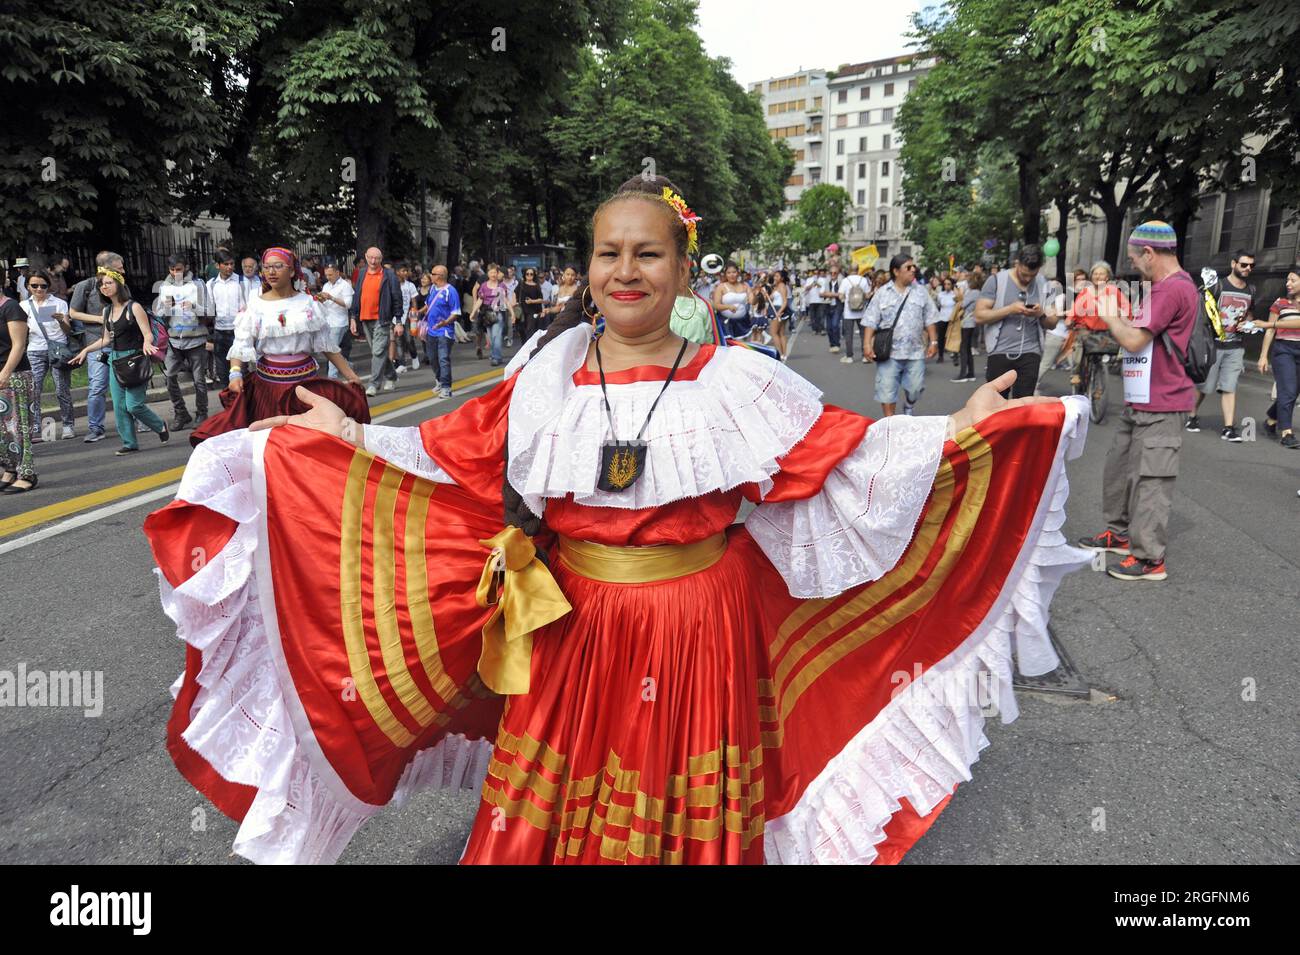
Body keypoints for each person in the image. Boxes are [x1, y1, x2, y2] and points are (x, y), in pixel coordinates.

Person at [143, 172, 1090, 866]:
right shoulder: (543, 374)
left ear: (683, 271)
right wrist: (340, 440)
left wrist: (959, 429)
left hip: (698, 628)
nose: (626, 270)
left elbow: (851, 459)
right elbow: (448, 456)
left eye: (649, 253)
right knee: (550, 816)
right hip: (573, 628)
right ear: (586, 265)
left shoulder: (746, 381)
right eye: (609, 252)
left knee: (680, 810)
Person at [1078, 221, 1199, 582]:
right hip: (1141, 398)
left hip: (1162, 401)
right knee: (1118, 469)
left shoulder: (1171, 289)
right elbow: (1140, 331)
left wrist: (1107, 311)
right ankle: (1119, 534)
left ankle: (1149, 560)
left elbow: (1132, 340)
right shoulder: (1160, 288)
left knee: (1151, 479)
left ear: (1150, 253)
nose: (1133, 267)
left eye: (1135, 259)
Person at [188, 247, 368, 447]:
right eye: (267, 267)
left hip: (304, 388)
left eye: (278, 266)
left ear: (291, 271)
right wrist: (235, 374)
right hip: (267, 388)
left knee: (310, 444)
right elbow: (241, 344)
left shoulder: (308, 303)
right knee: (270, 444)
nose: (271, 272)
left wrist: (350, 375)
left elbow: (327, 346)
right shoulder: (255, 305)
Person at [67, 266, 170, 456]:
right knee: (119, 406)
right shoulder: (106, 311)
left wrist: (147, 345)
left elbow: (147, 334)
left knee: (134, 405)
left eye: (109, 283)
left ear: (119, 284)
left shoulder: (134, 307)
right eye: (101, 284)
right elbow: (106, 339)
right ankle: (129, 443)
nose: (104, 287)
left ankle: (159, 425)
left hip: (135, 358)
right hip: (115, 359)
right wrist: (86, 350)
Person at [1187, 250, 1257, 442]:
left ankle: (1228, 428)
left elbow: (1250, 312)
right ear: (1233, 264)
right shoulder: (1217, 286)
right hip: (1213, 345)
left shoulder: (1251, 290)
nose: (1248, 268)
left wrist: (1248, 323)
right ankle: (1191, 415)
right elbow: (1202, 311)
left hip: (1236, 346)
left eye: (1251, 265)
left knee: (1230, 386)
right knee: (1204, 385)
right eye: (1244, 264)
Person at [975, 244, 1057, 399]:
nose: (1027, 279)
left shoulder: (1047, 285)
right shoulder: (996, 281)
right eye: (1024, 274)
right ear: (1017, 263)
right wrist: (1009, 309)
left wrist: (1041, 313)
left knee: (1023, 405)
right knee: (997, 403)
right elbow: (979, 316)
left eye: (1032, 275)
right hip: (999, 350)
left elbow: (1053, 322)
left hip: (1030, 351)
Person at [862, 253, 940, 417]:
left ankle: (909, 405)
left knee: (915, 388)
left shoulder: (921, 292)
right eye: (908, 267)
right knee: (887, 390)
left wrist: (934, 342)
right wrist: (867, 344)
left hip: (915, 351)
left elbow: (930, 318)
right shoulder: (883, 293)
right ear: (896, 271)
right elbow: (870, 320)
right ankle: (890, 423)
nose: (913, 270)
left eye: (914, 267)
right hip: (888, 352)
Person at [68, 250, 127, 443]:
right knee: (97, 386)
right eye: (119, 268)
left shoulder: (122, 286)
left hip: (120, 343)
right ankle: (95, 428)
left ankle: (132, 421)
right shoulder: (86, 286)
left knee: (126, 383)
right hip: (96, 344)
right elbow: (73, 313)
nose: (123, 271)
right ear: (106, 269)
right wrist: (101, 318)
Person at [154, 255, 213, 431]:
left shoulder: (197, 285)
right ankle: (181, 413)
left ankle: (202, 413)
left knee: (199, 380)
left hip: (195, 337)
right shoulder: (165, 286)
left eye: (178, 269)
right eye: (172, 270)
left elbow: (209, 312)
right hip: (174, 339)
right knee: (170, 377)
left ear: (186, 267)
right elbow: (158, 313)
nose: (175, 273)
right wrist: (166, 306)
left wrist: (193, 306)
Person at [22, 269, 76, 440]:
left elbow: (68, 331)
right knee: (34, 389)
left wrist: (61, 320)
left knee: (61, 389)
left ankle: (68, 425)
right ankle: (36, 426)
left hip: (58, 349)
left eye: (43, 286)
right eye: (34, 286)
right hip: (35, 349)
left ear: (48, 285)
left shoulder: (59, 303)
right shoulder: (23, 306)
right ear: (28, 286)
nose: (39, 289)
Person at [1066, 262, 1129, 392]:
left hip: (1105, 330)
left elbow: (1125, 306)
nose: (1097, 276)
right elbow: (1075, 308)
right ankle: (1076, 372)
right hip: (1086, 328)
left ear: (1107, 277)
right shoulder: (1085, 291)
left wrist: (1124, 316)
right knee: (1079, 343)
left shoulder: (1113, 291)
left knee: (1104, 350)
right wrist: (1069, 319)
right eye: (1095, 273)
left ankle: (1098, 380)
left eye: (1101, 273)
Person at [350, 247, 404, 396]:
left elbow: (397, 298)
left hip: (382, 318)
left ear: (381, 259)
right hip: (365, 318)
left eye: (377, 258)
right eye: (370, 258)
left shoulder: (389, 275)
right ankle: (392, 376)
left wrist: (398, 320)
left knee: (378, 351)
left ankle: (373, 384)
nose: (373, 261)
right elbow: (357, 296)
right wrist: (353, 317)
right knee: (378, 352)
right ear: (366, 257)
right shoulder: (362, 273)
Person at [1256, 268, 1300, 449]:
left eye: (1293, 280)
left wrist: (1270, 323)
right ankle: (1287, 433)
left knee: (1292, 393)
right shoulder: (1280, 303)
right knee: (1288, 391)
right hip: (1284, 350)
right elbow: (1271, 331)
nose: (1288, 284)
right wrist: (1263, 355)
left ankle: (1271, 420)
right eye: (1287, 280)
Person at [0, 286, 38, 491]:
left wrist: (5, 372)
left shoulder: (11, 307)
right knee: (2, 432)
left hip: (14, 375)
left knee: (19, 428)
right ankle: (9, 468)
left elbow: (18, 345)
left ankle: (27, 473)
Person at [207, 252, 247, 390]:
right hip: (220, 332)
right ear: (218, 265)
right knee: (222, 372)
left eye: (232, 264)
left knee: (241, 372)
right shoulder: (211, 284)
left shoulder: (241, 281)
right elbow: (210, 309)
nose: (230, 267)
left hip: (238, 332)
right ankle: (229, 406)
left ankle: (244, 406)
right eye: (226, 264)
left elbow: (247, 306)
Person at [423, 265, 461, 399]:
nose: (430, 276)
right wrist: (417, 313)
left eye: (432, 274)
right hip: (431, 330)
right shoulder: (433, 288)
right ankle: (439, 380)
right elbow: (428, 305)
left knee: (443, 359)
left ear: (439, 276)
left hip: (445, 331)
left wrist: (445, 322)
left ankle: (446, 387)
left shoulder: (451, 291)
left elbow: (455, 312)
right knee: (432, 358)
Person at [316, 258, 355, 380]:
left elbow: (348, 304)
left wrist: (331, 298)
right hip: (328, 322)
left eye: (330, 274)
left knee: (332, 350)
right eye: (326, 275)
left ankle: (332, 377)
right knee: (331, 350)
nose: (328, 277)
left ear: (337, 273)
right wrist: (320, 299)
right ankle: (347, 365)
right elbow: (324, 302)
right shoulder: (326, 285)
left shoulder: (345, 285)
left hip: (339, 322)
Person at [470, 264, 514, 367]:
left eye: (495, 272)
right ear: (488, 274)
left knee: (496, 336)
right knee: (491, 337)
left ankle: (496, 357)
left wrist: (512, 314)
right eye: (491, 272)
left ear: (498, 273)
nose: (493, 274)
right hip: (487, 314)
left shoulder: (501, 286)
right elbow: (480, 300)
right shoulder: (484, 285)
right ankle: (495, 354)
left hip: (497, 313)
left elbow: (506, 301)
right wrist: (473, 312)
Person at [838, 266, 872, 364]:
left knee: (849, 334)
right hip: (862, 312)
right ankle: (865, 356)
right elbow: (867, 295)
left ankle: (849, 356)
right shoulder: (864, 280)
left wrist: (845, 300)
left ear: (849, 270)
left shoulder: (845, 281)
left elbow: (840, 295)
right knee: (863, 334)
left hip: (849, 312)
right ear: (858, 270)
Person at [711, 262, 753, 339]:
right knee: (729, 348)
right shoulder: (721, 287)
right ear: (725, 274)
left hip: (743, 322)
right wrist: (728, 306)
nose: (732, 275)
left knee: (743, 348)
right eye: (729, 273)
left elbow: (752, 301)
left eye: (734, 272)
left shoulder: (745, 285)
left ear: (738, 273)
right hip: (726, 324)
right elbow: (716, 305)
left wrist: (756, 292)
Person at [517, 267, 546, 343]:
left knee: (530, 329)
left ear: (534, 275)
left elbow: (541, 299)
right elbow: (515, 293)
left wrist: (532, 301)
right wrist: (514, 304)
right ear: (524, 275)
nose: (529, 275)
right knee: (521, 329)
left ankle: (529, 346)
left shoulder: (536, 285)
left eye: (531, 274)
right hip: (522, 311)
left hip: (533, 310)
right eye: (527, 274)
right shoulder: (521, 284)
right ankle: (524, 345)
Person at [935, 276, 959, 365]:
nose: (946, 286)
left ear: (952, 285)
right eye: (945, 284)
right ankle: (940, 356)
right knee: (941, 338)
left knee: (953, 338)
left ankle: (955, 355)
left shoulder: (955, 295)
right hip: (942, 318)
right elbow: (938, 305)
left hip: (952, 319)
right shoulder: (940, 294)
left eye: (948, 284)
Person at [823, 263, 845, 355]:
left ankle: (836, 344)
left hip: (838, 306)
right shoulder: (826, 281)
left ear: (838, 273)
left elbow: (842, 294)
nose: (833, 274)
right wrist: (833, 294)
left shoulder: (842, 281)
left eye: (835, 273)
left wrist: (830, 294)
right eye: (831, 273)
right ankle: (832, 344)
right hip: (827, 305)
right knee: (829, 327)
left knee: (835, 325)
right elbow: (822, 293)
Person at [803, 267, 824, 335]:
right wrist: (812, 284)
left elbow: (824, 288)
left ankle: (821, 329)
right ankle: (814, 329)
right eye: (815, 273)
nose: (816, 274)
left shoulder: (822, 279)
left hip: (820, 300)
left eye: (817, 273)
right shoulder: (809, 279)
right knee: (813, 316)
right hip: (811, 300)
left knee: (820, 316)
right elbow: (806, 288)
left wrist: (818, 284)